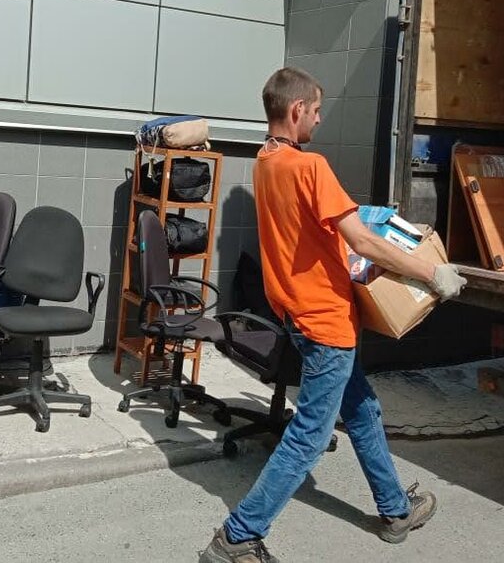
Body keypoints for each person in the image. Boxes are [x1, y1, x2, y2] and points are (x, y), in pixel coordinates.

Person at [200, 67, 467, 563]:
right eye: (317, 110)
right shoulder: (310, 166)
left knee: (363, 410)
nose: (320, 120)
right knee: (310, 436)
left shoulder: (266, 162)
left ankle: (395, 509)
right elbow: (361, 240)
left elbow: (313, 232)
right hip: (325, 322)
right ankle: (236, 538)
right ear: (297, 109)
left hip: (300, 317)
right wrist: (432, 272)